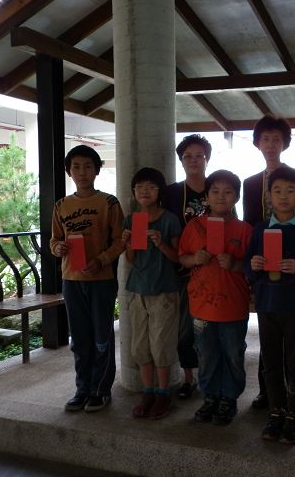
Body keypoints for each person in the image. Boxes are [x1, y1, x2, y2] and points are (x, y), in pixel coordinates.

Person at [242, 115, 295, 410]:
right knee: (269, 344)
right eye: (265, 139)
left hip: (292, 280)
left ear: (284, 143)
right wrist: (253, 271)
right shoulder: (250, 183)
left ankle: (292, 406)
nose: (271, 145)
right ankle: (269, 396)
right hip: (264, 277)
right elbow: (249, 225)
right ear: (257, 143)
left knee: (292, 349)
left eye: (276, 139)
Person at [244, 166, 295, 445]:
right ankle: (276, 409)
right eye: (277, 190)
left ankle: (294, 412)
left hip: (293, 306)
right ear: (269, 196)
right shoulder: (260, 229)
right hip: (266, 304)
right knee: (270, 359)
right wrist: (253, 266)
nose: (283, 196)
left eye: (290, 190)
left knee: (293, 359)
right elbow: (248, 266)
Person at [50, 145, 124, 413]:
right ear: (69, 171)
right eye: (76, 167)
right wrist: (57, 248)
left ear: (96, 170)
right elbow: (54, 240)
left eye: (88, 166)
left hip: (102, 280)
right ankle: (82, 389)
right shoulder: (61, 205)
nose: (82, 172)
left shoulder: (109, 203)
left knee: (102, 337)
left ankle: (101, 390)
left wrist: (101, 260)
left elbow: (120, 241)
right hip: (71, 280)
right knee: (79, 338)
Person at [178, 170, 252, 426]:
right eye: (215, 191)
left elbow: (253, 267)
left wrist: (235, 264)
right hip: (201, 307)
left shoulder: (244, 230)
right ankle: (210, 397)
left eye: (228, 192)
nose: (221, 196)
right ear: (207, 197)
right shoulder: (194, 226)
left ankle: (229, 399)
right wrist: (194, 258)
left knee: (233, 354)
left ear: (236, 197)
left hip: (234, 306)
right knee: (206, 354)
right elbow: (182, 258)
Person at [121, 168, 182, 419]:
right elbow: (131, 259)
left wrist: (160, 242)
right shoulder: (131, 220)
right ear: (134, 192)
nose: (144, 191)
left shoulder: (169, 220)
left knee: (161, 345)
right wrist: (128, 244)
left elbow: (177, 258)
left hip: (164, 290)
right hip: (137, 290)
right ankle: (148, 391)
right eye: (139, 187)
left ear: (159, 192)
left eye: (150, 187)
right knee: (139, 345)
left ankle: (163, 393)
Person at [165, 134, 212, 400]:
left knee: (210, 327)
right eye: (188, 156)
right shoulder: (171, 192)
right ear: (181, 161)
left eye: (199, 156)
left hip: (213, 270)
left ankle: (210, 376)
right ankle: (189, 378)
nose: (194, 160)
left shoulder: (217, 187)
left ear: (207, 159)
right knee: (184, 328)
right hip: (181, 269)